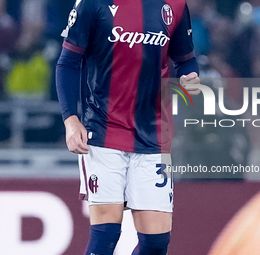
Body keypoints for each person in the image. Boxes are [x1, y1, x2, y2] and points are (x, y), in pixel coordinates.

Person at [56, 0, 201, 254]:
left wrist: (189, 79)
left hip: (155, 134)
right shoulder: (93, 3)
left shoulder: (175, 5)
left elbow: (185, 60)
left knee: (156, 244)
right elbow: (67, 62)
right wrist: (71, 119)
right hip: (103, 130)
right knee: (106, 235)